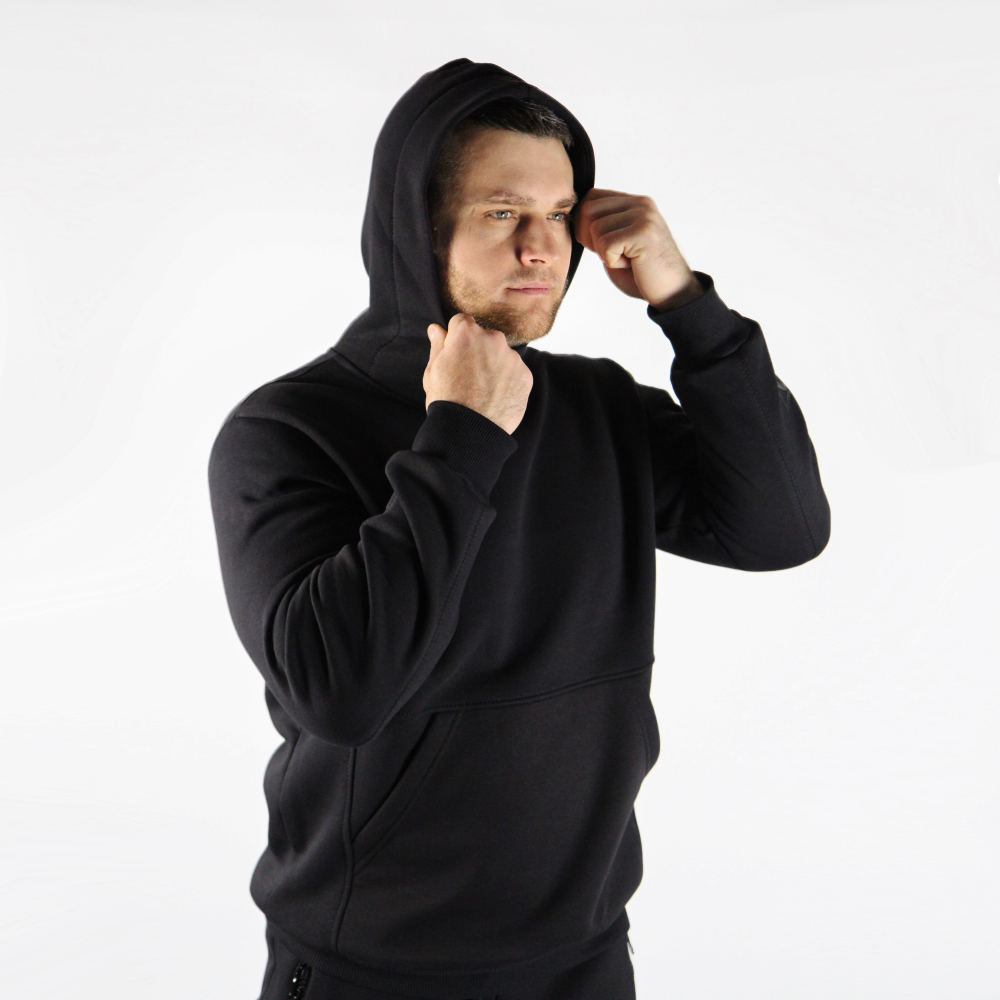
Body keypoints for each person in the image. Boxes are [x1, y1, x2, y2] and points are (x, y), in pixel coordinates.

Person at [208, 58, 830, 1000]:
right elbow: (341, 691)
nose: (542, 250)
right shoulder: (285, 430)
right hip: (369, 968)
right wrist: (460, 435)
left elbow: (781, 529)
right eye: (503, 213)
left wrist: (689, 309)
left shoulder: (595, 406)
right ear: (419, 228)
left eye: (559, 214)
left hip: (582, 956)